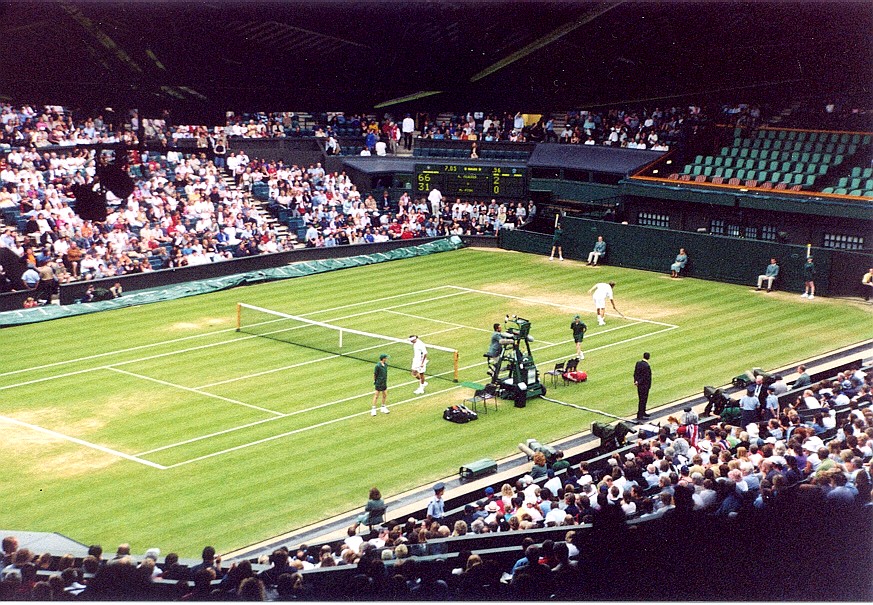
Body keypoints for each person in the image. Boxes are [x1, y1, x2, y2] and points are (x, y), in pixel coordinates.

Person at [634, 352, 652, 421]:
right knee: (643, 400)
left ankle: (643, 412)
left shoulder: (638, 363)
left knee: (642, 400)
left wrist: (636, 381)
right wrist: (638, 381)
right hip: (644, 386)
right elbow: (645, 377)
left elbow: (635, 373)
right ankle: (640, 415)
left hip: (640, 385)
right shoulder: (646, 366)